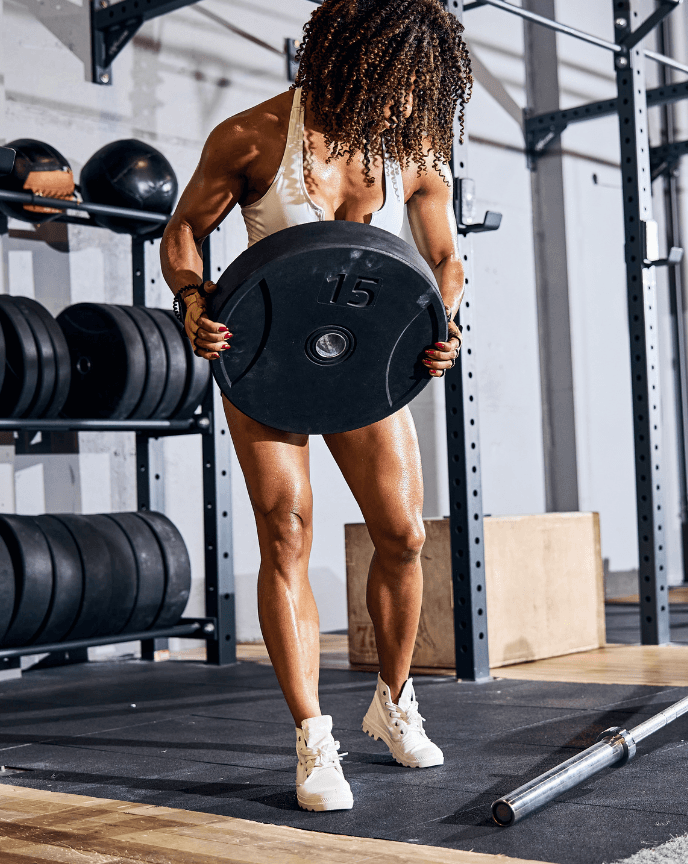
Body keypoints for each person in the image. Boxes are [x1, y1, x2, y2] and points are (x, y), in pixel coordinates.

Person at [160, 0, 472, 812]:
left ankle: (393, 701)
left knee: (402, 535)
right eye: (391, 81)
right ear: (345, 58)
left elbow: (442, 255)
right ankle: (311, 738)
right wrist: (193, 303)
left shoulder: (407, 143)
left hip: (361, 355)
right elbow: (183, 232)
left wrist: (447, 322)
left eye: (412, 87)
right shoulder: (254, 135)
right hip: (264, 353)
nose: (403, 101)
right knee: (287, 528)